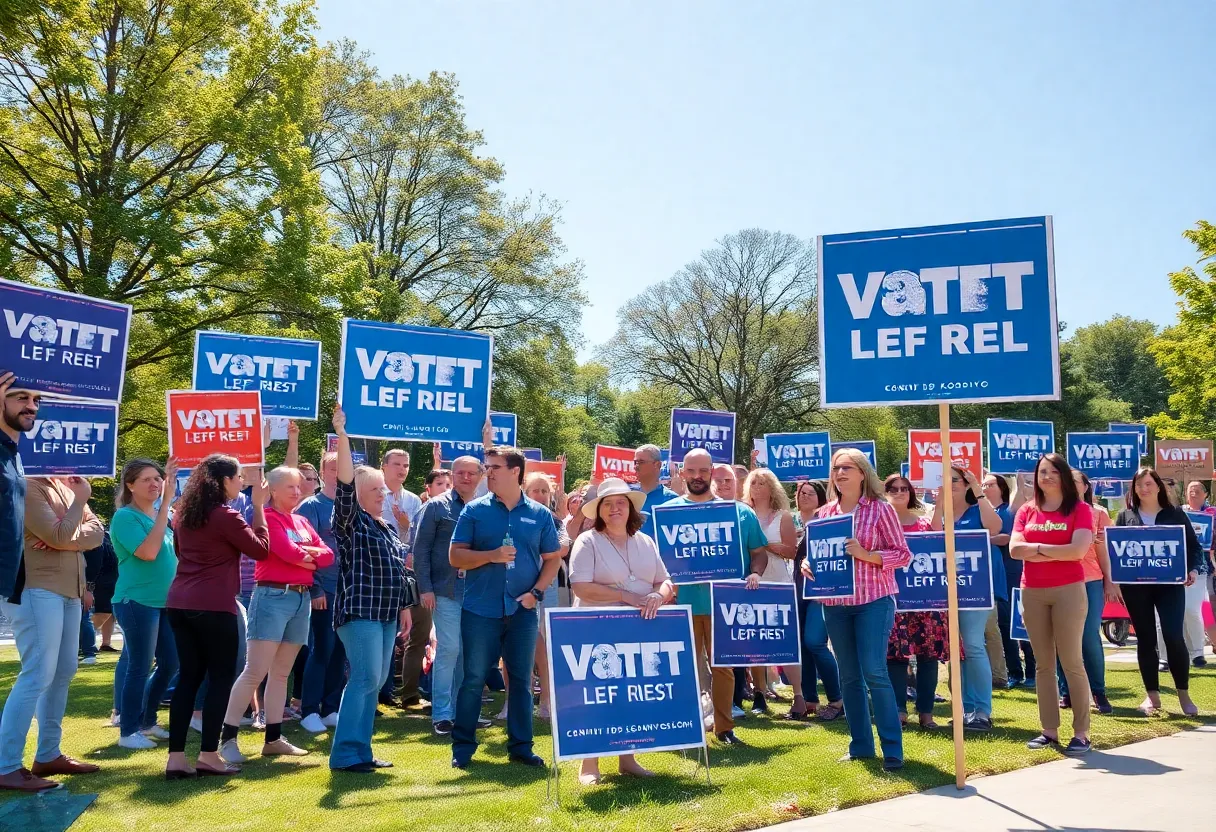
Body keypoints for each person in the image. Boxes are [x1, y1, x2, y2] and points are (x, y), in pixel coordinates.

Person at [449, 446, 563, 770]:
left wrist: (536, 593)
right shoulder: (474, 510)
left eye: (495, 467)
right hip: (479, 610)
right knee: (473, 679)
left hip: (523, 611)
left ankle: (521, 748)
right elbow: (455, 557)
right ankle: (463, 748)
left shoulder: (540, 515)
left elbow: (553, 558)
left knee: (522, 680)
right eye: (488, 467)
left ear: (516, 471)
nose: (489, 473)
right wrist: (491, 555)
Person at [165, 454, 271, 778]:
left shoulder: (184, 514)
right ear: (224, 481)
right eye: (238, 478)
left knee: (188, 678)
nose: (241, 483)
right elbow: (261, 550)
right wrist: (261, 508)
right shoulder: (226, 515)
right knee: (220, 679)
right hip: (213, 604)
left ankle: (176, 759)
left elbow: (181, 553)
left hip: (179, 603)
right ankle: (209, 755)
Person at [805, 449, 911, 770]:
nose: (839, 473)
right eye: (836, 468)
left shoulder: (881, 510)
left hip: (873, 602)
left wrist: (867, 554)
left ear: (863, 473)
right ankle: (861, 746)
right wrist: (810, 565)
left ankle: (892, 749)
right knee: (849, 677)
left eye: (846, 468)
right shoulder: (823, 514)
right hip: (836, 606)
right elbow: (815, 555)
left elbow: (902, 554)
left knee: (874, 672)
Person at [220, 466, 333, 763]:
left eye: (300, 487)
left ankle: (273, 738)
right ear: (272, 489)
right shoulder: (266, 518)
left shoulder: (301, 520)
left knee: (281, 673)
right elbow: (288, 552)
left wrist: (306, 557)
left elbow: (328, 555)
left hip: (300, 598)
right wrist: (309, 557)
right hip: (272, 596)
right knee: (255, 671)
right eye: (290, 487)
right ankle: (228, 738)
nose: (297, 492)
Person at [0, 471, 104, 790]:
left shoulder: (65, 485)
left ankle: (48, 754)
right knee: (37, 674)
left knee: (63, 671)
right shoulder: (27, 484)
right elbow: (62, 535)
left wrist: (66, 535)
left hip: (68, 590)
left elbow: (97, 533)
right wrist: (79, 505)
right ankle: (6, 765)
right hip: (33, 587)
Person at [568, 477, 676, 784]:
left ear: (630, 508)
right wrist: (624, 596)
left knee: (631, 695)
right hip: (596, 629)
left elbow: (665, 579)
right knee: (598, 695)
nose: (615, 508)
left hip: (639, 631)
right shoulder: (587, 542)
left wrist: (660, 595)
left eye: (621, 503)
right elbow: (580, 586)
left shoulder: (645, 540)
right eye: (608, 504)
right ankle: (589, 765)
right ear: (599, 510)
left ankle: (628, 758)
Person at [327, 406, 415, 773]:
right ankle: (346, 754)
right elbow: (345, 486)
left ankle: (361, 750)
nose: (383, 493)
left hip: (386, 615)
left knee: (376, 680)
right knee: (364, 679)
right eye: (375, 488)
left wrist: (404, 609)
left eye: (384, 487)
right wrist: (343, 435)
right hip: (359, 613)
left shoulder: (388, 527)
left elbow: (398, 572)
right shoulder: (350, 520)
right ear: (359, 494)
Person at [662, 449, 769, 747]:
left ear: (712, 473)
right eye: (691, 471)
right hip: (681, 604)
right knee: (681, 667)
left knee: (724, 668)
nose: (697, 477)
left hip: (724, 604)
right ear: (682, 473)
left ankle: (724, 727)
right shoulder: (668, 513)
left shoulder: (739, 512)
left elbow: (758, 553)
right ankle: (681, 725)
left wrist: (756, 574)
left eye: (703, 471)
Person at [1009, 453, 1094, 756]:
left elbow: (1077, 551)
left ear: (1064, 477)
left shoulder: (1080, 509)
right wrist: (1054, 549)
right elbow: (1015, 549)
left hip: (1069, 590)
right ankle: (1049, 731)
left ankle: (1082, 733)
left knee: (1071, 661)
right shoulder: (1027, 511)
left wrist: (1038, 549)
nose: (1046, 477)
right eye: (1042, 472)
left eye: (1053, 472)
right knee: (1043, 664)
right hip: (1032, 591)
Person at [1115, 467, 1202, 717]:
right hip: (1136, 588)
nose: (1144, 488)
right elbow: (1115, 550)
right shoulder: (1124, 516)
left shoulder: (1175, 515)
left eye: (1149, 483)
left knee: (1174, 636)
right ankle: (1152, 697)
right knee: (1145, 639)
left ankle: (1184, 694)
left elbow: (1194, 548)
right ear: (1134, 489)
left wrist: (1192, 571)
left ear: (1158, 486)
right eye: (1139, 484)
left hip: (1170, 586)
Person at [110, 457, 181, 749]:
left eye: (158, 478)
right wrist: (165, 506)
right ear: (130, 485)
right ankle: (128, 731)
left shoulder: (162, 516)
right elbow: (148, 553)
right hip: (136, 602)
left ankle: (148, 721)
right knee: (139, 665)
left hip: (165, 602)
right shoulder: (126, 517)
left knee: (171, 663)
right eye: (146, 480)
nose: (154, 484)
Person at [414, 456, 486, 735]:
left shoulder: (486, 508)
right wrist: (425, 588)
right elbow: (420, 550)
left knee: (469, 654)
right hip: (444, 590)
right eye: (460, 473)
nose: (466, 477)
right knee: (449, 649)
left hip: (478, 593)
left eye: (471, 473)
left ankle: (463, 712)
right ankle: (442, 714)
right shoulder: (435, 506)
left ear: (481, 475)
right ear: (452, 475)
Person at [930, 465, 1003, 732]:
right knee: (955, 651)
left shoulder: (977, 510)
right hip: (947, 589)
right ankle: (965, 709)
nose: (950, 485)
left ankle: (982, 711)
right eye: (945, 481)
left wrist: (977, 489)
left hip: (977, 589)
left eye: (956, 480)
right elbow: (933, 536)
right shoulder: (943, 513)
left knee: (972, 645)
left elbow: (995, 527)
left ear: (966, 483)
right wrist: (939, 503)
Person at [884, 473, 950, 729]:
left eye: (904, 488)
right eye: (893, 488)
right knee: (896, 657)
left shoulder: (923, 523)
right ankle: (899, 710)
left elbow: (937, 537)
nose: (899, 492)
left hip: (926, 603)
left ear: (911, 493)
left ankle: (926, 713)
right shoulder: (881, 525)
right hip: (894, 600)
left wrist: (941, 501)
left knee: (928, 656)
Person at [741, 468, 803, 716]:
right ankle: (760, 693)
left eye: (762, 482)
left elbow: (791, 551)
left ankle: (798, 695)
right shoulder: (743, 513)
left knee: (785, 640)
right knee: (753, 641)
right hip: (751, 582)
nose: (757, 486)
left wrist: (763, 545)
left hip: (777, 583)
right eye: (753, 482)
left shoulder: (783, 517)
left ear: (772, 487)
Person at [1057, 471, 1116, 714]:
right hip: (1060, 581)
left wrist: (1111, 582)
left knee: (1089, 635)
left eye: (1075, 482)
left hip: (1091, 579)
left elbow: (1105, 551)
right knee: (1062, 637)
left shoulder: (1099, 514)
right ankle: (1066, 691)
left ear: (1085, 486)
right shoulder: (1053, 513)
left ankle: (1098, 691)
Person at [296, 453, 346, 734]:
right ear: (323, 472)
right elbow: (303, 551)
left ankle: (331, 708)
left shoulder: (353, 505)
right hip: (323, 589)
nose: (337, 472)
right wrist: (314, 587)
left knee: (341, 651)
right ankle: (309, 710)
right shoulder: (310, 507)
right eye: (332, 468)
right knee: (322, 649)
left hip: (348, 590)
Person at [519, 472, 571, 721]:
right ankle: (516, 701)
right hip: (517, 587)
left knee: (545, 646)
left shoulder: (555, 521)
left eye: (544, 491)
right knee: (516, 647)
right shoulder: (514, 516)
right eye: (534, 490)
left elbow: (563, 547)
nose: (539, 495)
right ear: (524, 492)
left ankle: (547, 701)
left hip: (547, 590)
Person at [790, 480, 843, 721]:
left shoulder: (828, 522)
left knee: (814, 642)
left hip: (821, 592)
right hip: (798, 591)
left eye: (811, 493)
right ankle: (810, 699)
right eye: (802, 492)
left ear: (821, 497)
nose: (805, 496)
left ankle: (838, 699)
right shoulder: (797, 523)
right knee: (802, 645)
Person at [380, 448, 425, 708]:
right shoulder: (373, 493)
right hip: (381, 572)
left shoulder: (413, 501)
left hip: (408, 574)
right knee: (383, 630)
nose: (402, 469)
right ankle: (381, 691)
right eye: (397, 464)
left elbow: (416, 539)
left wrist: (406, 524)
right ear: (384, 466)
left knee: (411, 632)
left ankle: (407, 692)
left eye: (406, 465)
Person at [986, 473, 1036, 690]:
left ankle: (1032, 671)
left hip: (1012, 574)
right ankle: (1014, 671)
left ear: (1000, 487)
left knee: (1020, 624)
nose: (984, 487)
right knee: (1003, 626)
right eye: (983, 484)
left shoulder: (1006, 512)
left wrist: (979, 539)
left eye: (988, 484)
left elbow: (1007, 537)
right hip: (992, 578)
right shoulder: (984, 512)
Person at [1181, 480, 1214, 665]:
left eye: (1197, 491)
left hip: (1201, 567)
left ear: (1205, 494)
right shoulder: (1178, 512)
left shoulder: (1212, 514)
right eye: (1190, 490)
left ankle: (1198, 652)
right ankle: (1184, 650)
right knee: (1179, 611)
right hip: (1177, 568)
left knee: (1192, 609)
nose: (1193, 493)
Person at [633, 444, 676, 540]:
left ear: (657, 465)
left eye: (641, 462)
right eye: (635, 462)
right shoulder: (629, 499)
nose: (636, 467)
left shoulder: (672, 500)